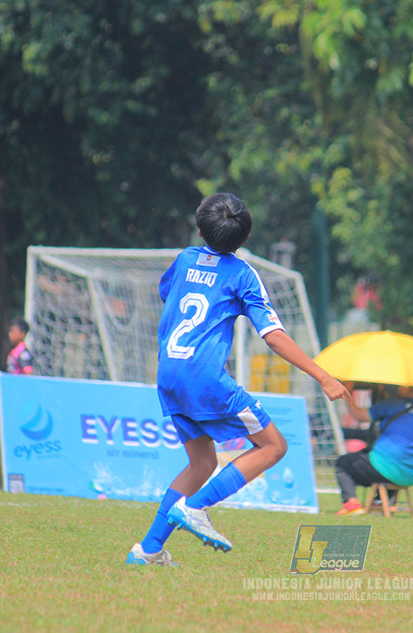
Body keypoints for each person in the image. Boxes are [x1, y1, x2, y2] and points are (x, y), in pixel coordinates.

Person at [126, 192, 349, 567]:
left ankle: (148, 550)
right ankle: (196, 507)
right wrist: (323, 376)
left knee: (201, 463)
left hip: (169, 374)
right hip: (205, 379)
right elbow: (273, 334)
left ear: (200, 228)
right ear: (244, 238)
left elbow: (170, 295)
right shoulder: (243, 274)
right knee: (274, 446)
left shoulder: (184, 259)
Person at [334, 383, 413, 516]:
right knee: (385, 461)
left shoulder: (392, 405)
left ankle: (352, 504)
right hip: (411, 474)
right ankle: (380, 501)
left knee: (344, 463)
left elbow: (360, 415)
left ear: (406, 388)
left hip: (384, 468)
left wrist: (348, 392)